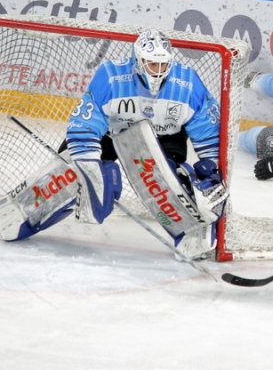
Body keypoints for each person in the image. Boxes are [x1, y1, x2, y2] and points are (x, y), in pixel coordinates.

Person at [64, 29, 228, 259]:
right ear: (138, 61)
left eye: (163, 64)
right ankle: (32, 204)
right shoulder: (111, 75)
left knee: (164, 176)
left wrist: (210, 171)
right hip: (112, 134)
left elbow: (209, 135)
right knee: (68, 166)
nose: (158, 71)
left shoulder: (188, 83)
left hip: (166, 138)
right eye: (152, 63)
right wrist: (89, 170)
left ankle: (189, 228)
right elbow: (85, 124)